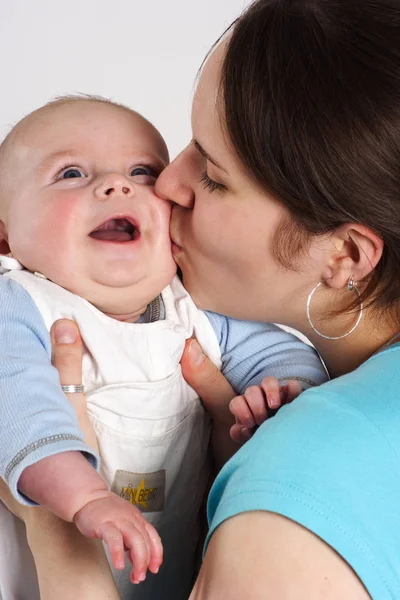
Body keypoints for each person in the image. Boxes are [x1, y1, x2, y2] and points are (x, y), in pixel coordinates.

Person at [5, 0, 400, 596]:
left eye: (213, 175)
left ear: (343, 254)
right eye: (70, 175)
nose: (165, 185)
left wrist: (57, 531)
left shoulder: (293, 492)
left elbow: (274, 366)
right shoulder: (24, 305)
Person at [0, 95, 326, 600]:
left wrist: (283, 390)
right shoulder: (23, 305)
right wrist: (85, 498)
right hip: (48, 575)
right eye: (70, 174)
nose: (117, 184)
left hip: (178, 574)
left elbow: (278, 352)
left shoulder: (188, 306)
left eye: (142, 171)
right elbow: (15, 398)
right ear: (4, 237)